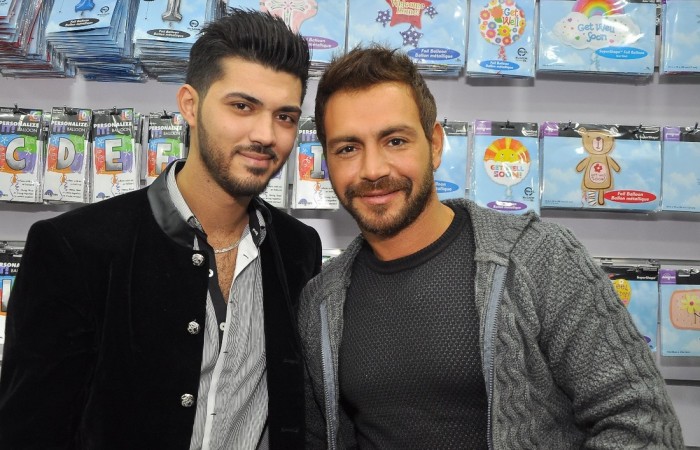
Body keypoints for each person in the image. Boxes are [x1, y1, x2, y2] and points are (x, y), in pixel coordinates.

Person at [298, 45, 684, 449]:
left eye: (395, 141)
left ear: (434, 144)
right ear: (327, 161)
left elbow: (644, 426)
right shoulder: (320, 304)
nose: (373, 169)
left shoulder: (539, 257)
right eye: (348, 148)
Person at [0, 9, 321, 450]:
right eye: (242, 106)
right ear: (190, 105)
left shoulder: (298, 247)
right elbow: (30, 429)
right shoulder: (75, 247)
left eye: (285, 116)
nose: (266, 134)